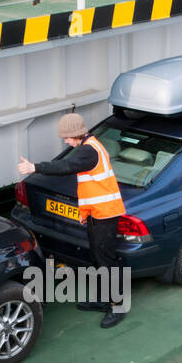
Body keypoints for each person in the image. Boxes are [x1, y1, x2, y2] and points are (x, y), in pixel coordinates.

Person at [18, 113, 128, 328]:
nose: (65, 141)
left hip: (105, 214)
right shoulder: (90, 146)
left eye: (67, 138)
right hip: (98, 213)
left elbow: (65, 167)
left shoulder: (88, 151)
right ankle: (103, 300)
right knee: (98, 258)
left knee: (106, 260)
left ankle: (118, 306)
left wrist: (35, 167)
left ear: (76, 134)